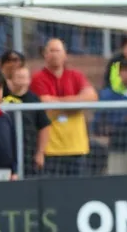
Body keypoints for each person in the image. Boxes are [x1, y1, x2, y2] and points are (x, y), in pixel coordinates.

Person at [29, 38, 97, 177]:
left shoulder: (76, 75)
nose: (55, 54)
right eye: (51, 50)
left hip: (77, 147)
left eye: (58, 50)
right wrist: (76, 103)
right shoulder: (38, 78)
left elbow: (92, 97)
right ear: (45, 54)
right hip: (51, 149)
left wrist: (57, 103)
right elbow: (45, 103)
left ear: (65, 54)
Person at [2, 65, 49, 177]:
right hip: (5, 153)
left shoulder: (34, 100)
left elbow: (44, 126)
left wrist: (40, 153)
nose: (22, 81)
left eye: (25, 77)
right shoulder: (1, 97)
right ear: (10, 79)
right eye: (19, 77)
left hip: (28, 154)